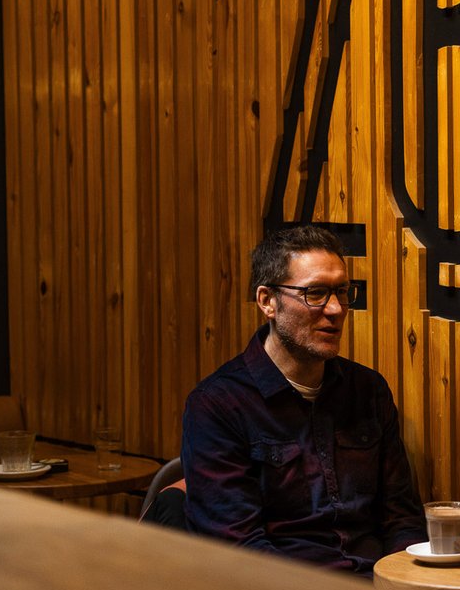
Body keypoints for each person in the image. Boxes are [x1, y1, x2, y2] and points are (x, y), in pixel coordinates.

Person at [180, 225, 426, 572]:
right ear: (267, 301)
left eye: (342, 292)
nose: (336, 309)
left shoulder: (368, 390)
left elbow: (402, 519)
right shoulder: (218, 405)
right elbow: (239, 549)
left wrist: (404, 586)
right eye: (315, 293)